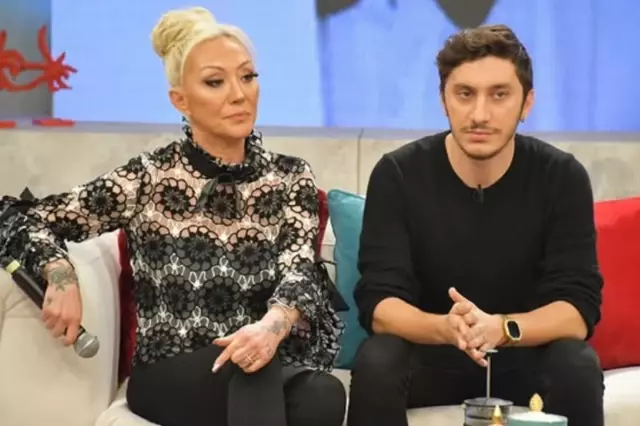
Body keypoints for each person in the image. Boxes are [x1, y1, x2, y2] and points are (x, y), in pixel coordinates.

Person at [0, 7, 346, 426]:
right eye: (215, 82)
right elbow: (20, 217)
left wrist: (270, 327)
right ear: (180, 100)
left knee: (322, 395)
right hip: (170, 371)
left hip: (262, 356)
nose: (239, 94)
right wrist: (59, 273)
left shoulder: (291, 176)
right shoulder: (148, 176)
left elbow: (300, 270)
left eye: (248, 76)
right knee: (253, 374)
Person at [347, 24, 604, 426]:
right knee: (378, 359)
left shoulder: (561, 177)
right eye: (465, 94)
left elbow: (577, 310)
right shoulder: (398, 174)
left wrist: (501, 328)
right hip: (432, 352)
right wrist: (446, 329)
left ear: (527, 103)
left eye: (499, 95)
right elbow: (379, 305)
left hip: (523, 353)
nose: (480, 114)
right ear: (444, 100)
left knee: (577, 363)